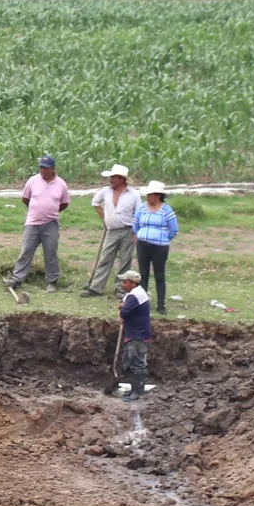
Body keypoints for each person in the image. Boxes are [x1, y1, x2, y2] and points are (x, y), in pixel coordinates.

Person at [4, 153, 69, 293]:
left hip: (51, 223)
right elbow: (25, 198)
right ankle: (17, 279)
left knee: (50, 253)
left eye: (46, 168)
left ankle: (52, 281)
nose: (43, 171)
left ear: (53, 168)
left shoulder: (61, 184)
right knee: (26, 251)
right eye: (41, 168)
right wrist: (36, 209)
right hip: (32, 222)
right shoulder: (33, 181)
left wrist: (50, 211)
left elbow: (64, 203)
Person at [81, 164, 139, 297]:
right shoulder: (105, 191)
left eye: (114, 178)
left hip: (128, 230)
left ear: (122, 179)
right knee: (105, 258)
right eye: (111, 177)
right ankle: (96, 287)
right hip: (111, 231)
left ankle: (121, 288)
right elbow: (95, 203)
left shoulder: (134, 194)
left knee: (125, 260)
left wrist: (137, 231)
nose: (111, 180)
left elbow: (138, 213)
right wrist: (104, 218)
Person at [133, 180, 179, 312]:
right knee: (143, 274)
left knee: (159, 275)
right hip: (143, 245)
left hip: (160, 247)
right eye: (147, 195)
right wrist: (141, 235)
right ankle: (142, 304)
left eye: (151, 195)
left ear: (158, 196)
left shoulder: (166, 210)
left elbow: (173, 230)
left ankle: (161, 305)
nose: (148, 197)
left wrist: (163, 239)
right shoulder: (141, 208)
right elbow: (135, 224)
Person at [117, 268, 152, 401]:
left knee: (137, 362)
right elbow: (126, 306)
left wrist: (121, 310)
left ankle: (137, 391)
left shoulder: (135, 295)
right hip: (134, 332)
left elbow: (125, 312)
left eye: (125, 282)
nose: (123, 284)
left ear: (133, 283)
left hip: (138, 334)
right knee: (130, 361)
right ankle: (134, 389)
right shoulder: (135, 293)